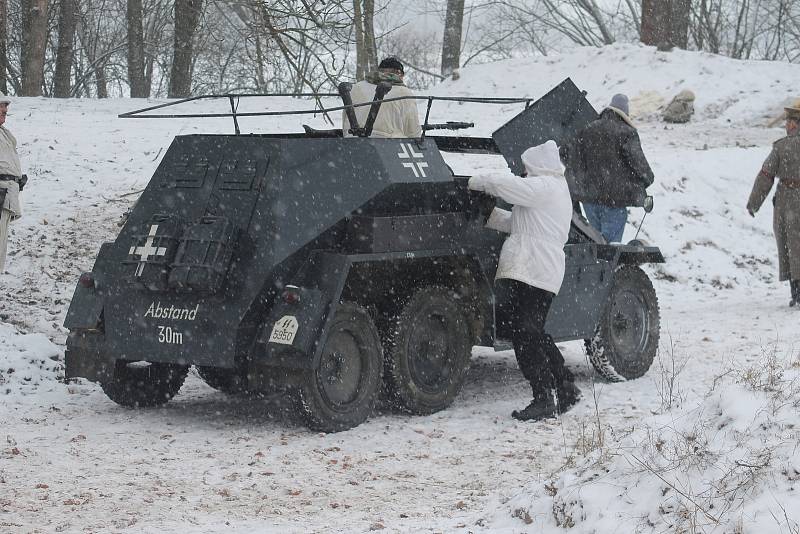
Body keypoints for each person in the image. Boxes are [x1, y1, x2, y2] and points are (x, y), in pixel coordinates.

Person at [468, 140, 580, 421]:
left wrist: (478, 181)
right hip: (536, 268)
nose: (524, 174)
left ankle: (543, 397)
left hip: (535, 268)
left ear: (539, 167)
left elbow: (513, 189)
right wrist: (490, 214)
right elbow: (520, 224)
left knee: (525, 332)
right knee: (530, 330)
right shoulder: (550, 190)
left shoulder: (547, 186)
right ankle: (564, 385)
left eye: (527, 169)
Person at [576, 93, 654, 242]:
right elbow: (639, 165)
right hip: (613, 200)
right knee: (611, 249)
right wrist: (648, 179)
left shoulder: (587, 129)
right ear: (625, 113)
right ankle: (608, 265)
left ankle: (597, 264)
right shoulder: (626, 133)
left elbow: (570, 157)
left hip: (589, 199)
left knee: (597, 245)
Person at [746, 104, 800, 307]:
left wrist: (754, 203)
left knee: (791, 248)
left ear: (795, 124)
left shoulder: (781, 147)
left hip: (789, 202)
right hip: (789, 201)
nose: (786, 125)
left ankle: (797, 293)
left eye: (789, 121)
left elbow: (765, 177)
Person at [342, 57, 422, 139]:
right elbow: (413, 131)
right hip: (388, 143)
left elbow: (345, 118)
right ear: (399, 73)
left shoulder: (357, 86)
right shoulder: (404, 92)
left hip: (351, 141)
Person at [0, 92, 24, 272]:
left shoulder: (5, 134)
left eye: (6, 106)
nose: (4, 110)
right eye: (1, 106)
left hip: (7, 193)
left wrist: (16, 179)